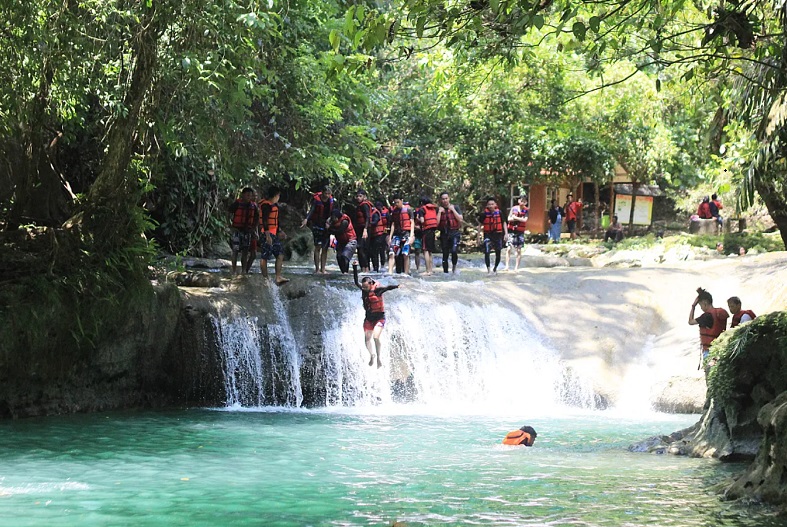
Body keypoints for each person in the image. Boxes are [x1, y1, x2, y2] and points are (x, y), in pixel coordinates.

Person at [353, 262, 401, 368]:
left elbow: (388, 287)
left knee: (375, 337)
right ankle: (372, 355)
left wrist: (397, 286)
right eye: (363, 287)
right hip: (369, 318)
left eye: (366, 287)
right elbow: (356, 281)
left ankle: (379, 358)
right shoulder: (363, 290)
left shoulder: (378, 290)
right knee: (367, 339)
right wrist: (355, 266)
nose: (364, 289)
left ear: (371, 284)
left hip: (379, 318)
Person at [688, 287, 729, 369]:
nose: (701, 308)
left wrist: (693, 306)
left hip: (709, 351)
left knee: (710, 373)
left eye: (700, 305)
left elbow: (690, 321)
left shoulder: (706, 316)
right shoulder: (720, 313)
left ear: (705, 303)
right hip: (720, 348)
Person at [300, 186, 334, 274]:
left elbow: (333, 213)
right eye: (325, 193)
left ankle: (323, 269)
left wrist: (330, 222)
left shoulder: (331, 201)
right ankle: (317, 269)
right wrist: (306, 219)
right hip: (317, 225)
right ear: (322, 193)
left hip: (327, 225)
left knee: (325, 248)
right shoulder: (316, 200)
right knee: (318, 247)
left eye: (329, 194)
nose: (327, 195)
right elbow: (312, 210)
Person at [259, 187, 289, 284]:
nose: (279, 197)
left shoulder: (273, 205)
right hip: (266, 234)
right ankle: (265, 278)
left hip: (274, 233)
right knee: (265, 256)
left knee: (280, 254)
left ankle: (278, 277)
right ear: (275, 195)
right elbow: (264, 221)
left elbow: (276, 221)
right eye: (278, 195)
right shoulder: (266, 206)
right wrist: (267, 236)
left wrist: (280, 231)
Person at [228, 187, 259, 275]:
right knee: (235, 251)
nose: (249, 197)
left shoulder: (254, 206)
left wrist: (254, 230)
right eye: (247, 195)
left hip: (247, 231)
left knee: (245, 252)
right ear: (243, 195)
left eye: (250, 195)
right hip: (237, 230)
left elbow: (256, 219)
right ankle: (234, 271)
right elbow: (229, 212)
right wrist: (229, 225)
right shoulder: (237, 204)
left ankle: (244, 271)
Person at [436, 191, 463, 274]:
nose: (445, 200)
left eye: (446, 198)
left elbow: (460, 219)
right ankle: (445, 273)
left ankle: (454, 268)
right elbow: (436, 224)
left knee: (454, 251)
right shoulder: (438, 210)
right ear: (441, 200)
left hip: (454, 232)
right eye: (443, 199)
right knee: (445, 254)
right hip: (444, 234)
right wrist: (440, 212)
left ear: (449, 198)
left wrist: (453, 210)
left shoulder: (456, 207)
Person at [478, 197, 507, 274]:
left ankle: (495, 268)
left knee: (498, 253)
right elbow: (480, 225)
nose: (491, 206)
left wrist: (506, 234)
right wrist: (478, 237)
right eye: (489, 204)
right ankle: (488, 270)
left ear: (495, 205)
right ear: (487, 206)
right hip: (488, 235)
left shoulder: (500, 213)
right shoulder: (484, 214)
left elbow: (504, 223)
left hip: (498, 235)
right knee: (487, 251)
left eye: (492, 204)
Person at [388, 195, 415, 275]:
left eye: (398, 202)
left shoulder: (408, 210)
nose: (396, 204)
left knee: (405, 254)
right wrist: (390, 237)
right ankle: (390, 273)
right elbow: (393, 224)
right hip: (397, 234)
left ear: (402, 200)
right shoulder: (394, 212)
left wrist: (411, 235)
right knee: (391, 253)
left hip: (406, 234)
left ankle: (406, 273)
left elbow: (412, 222)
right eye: (395, 202)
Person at [326, 208, 358, 274]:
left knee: (345, 256)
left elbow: (340, 231)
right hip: (341, 242)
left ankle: (346, 272)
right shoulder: (332, 221)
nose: (333, 219)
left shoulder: (344, 221)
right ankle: (343, 272)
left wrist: (329, 228)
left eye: (334, 218)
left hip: (350, 240)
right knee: (339, 256)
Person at [353, 189, 375, 273]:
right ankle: (363, 267)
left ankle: (366, 268)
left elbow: (368, 217)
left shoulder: (365, 205)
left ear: (364, 197)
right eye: (357, 196)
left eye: (360, 196)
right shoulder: (358, 206)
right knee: (360, 249)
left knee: (362, 248)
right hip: (359, 229)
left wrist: (365, 230)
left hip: (365, 229)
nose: (358, 198)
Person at [505, 195, 528, 271]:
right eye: (521, 200)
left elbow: (525, 220)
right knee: (508, 248)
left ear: (526, 202)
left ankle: (516, 268)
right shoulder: (513, 208)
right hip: (512, 230)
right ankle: (507, 266)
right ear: (518, 201)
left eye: (524, 201)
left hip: (520, 231)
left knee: (518, 249)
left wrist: (515, 218)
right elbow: (509, 219)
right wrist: (518, 218)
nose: (522, 202)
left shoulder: (526, 210)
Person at [416, 196, 438, 275]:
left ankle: (427, 271)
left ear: (422, 203)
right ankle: (431, 270)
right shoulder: (433, 209)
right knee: (430, 251)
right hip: (433, 231)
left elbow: (422, 221)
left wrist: (417, 219)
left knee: (425, 250)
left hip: (426, 231)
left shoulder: (422, 209)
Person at [370, 199, 389, 273]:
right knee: (376, 251)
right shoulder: (375, 212)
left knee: (382, 250)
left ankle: (382, 265)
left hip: (383, 233)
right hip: (378, 233)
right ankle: (377, 267)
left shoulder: (383, 213)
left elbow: (389, 222)